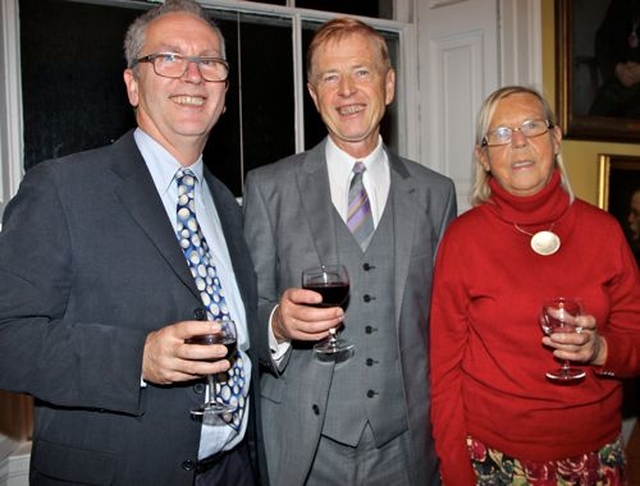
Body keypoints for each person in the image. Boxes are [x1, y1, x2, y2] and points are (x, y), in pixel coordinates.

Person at [0, 1, 268, 484]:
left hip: (232, 471)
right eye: (168, 58)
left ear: (224, 94)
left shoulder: (227, 205)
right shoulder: (61, 189)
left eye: (210, 62)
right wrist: (136, 359)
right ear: (132, 85)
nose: (193, 75)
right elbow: (7, 340)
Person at [242, 16, 457, 486]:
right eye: (329, 78)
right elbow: (244, 317)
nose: (347, 91)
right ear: (313, 94)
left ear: (390, 83)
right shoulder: (268, 188)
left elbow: (448, 328)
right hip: (303, 449)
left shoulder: (435, 194)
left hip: (405, 448)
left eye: (361, 72)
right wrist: (277, 322)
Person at [430, 85, 640, 485]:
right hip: (495, 463)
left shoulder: (605, 232)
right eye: (502, 134)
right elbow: (443, 373)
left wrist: (600, 350)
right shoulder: (463, 240)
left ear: (556, 138)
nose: (520, 141)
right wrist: (456, 474)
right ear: (484, 157)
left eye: (531, 125)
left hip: (597, 458)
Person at [589, 0, 640, 118]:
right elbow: (602, 41)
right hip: (617, 84)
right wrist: (617, 68)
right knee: (597, 118)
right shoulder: (620, 5)